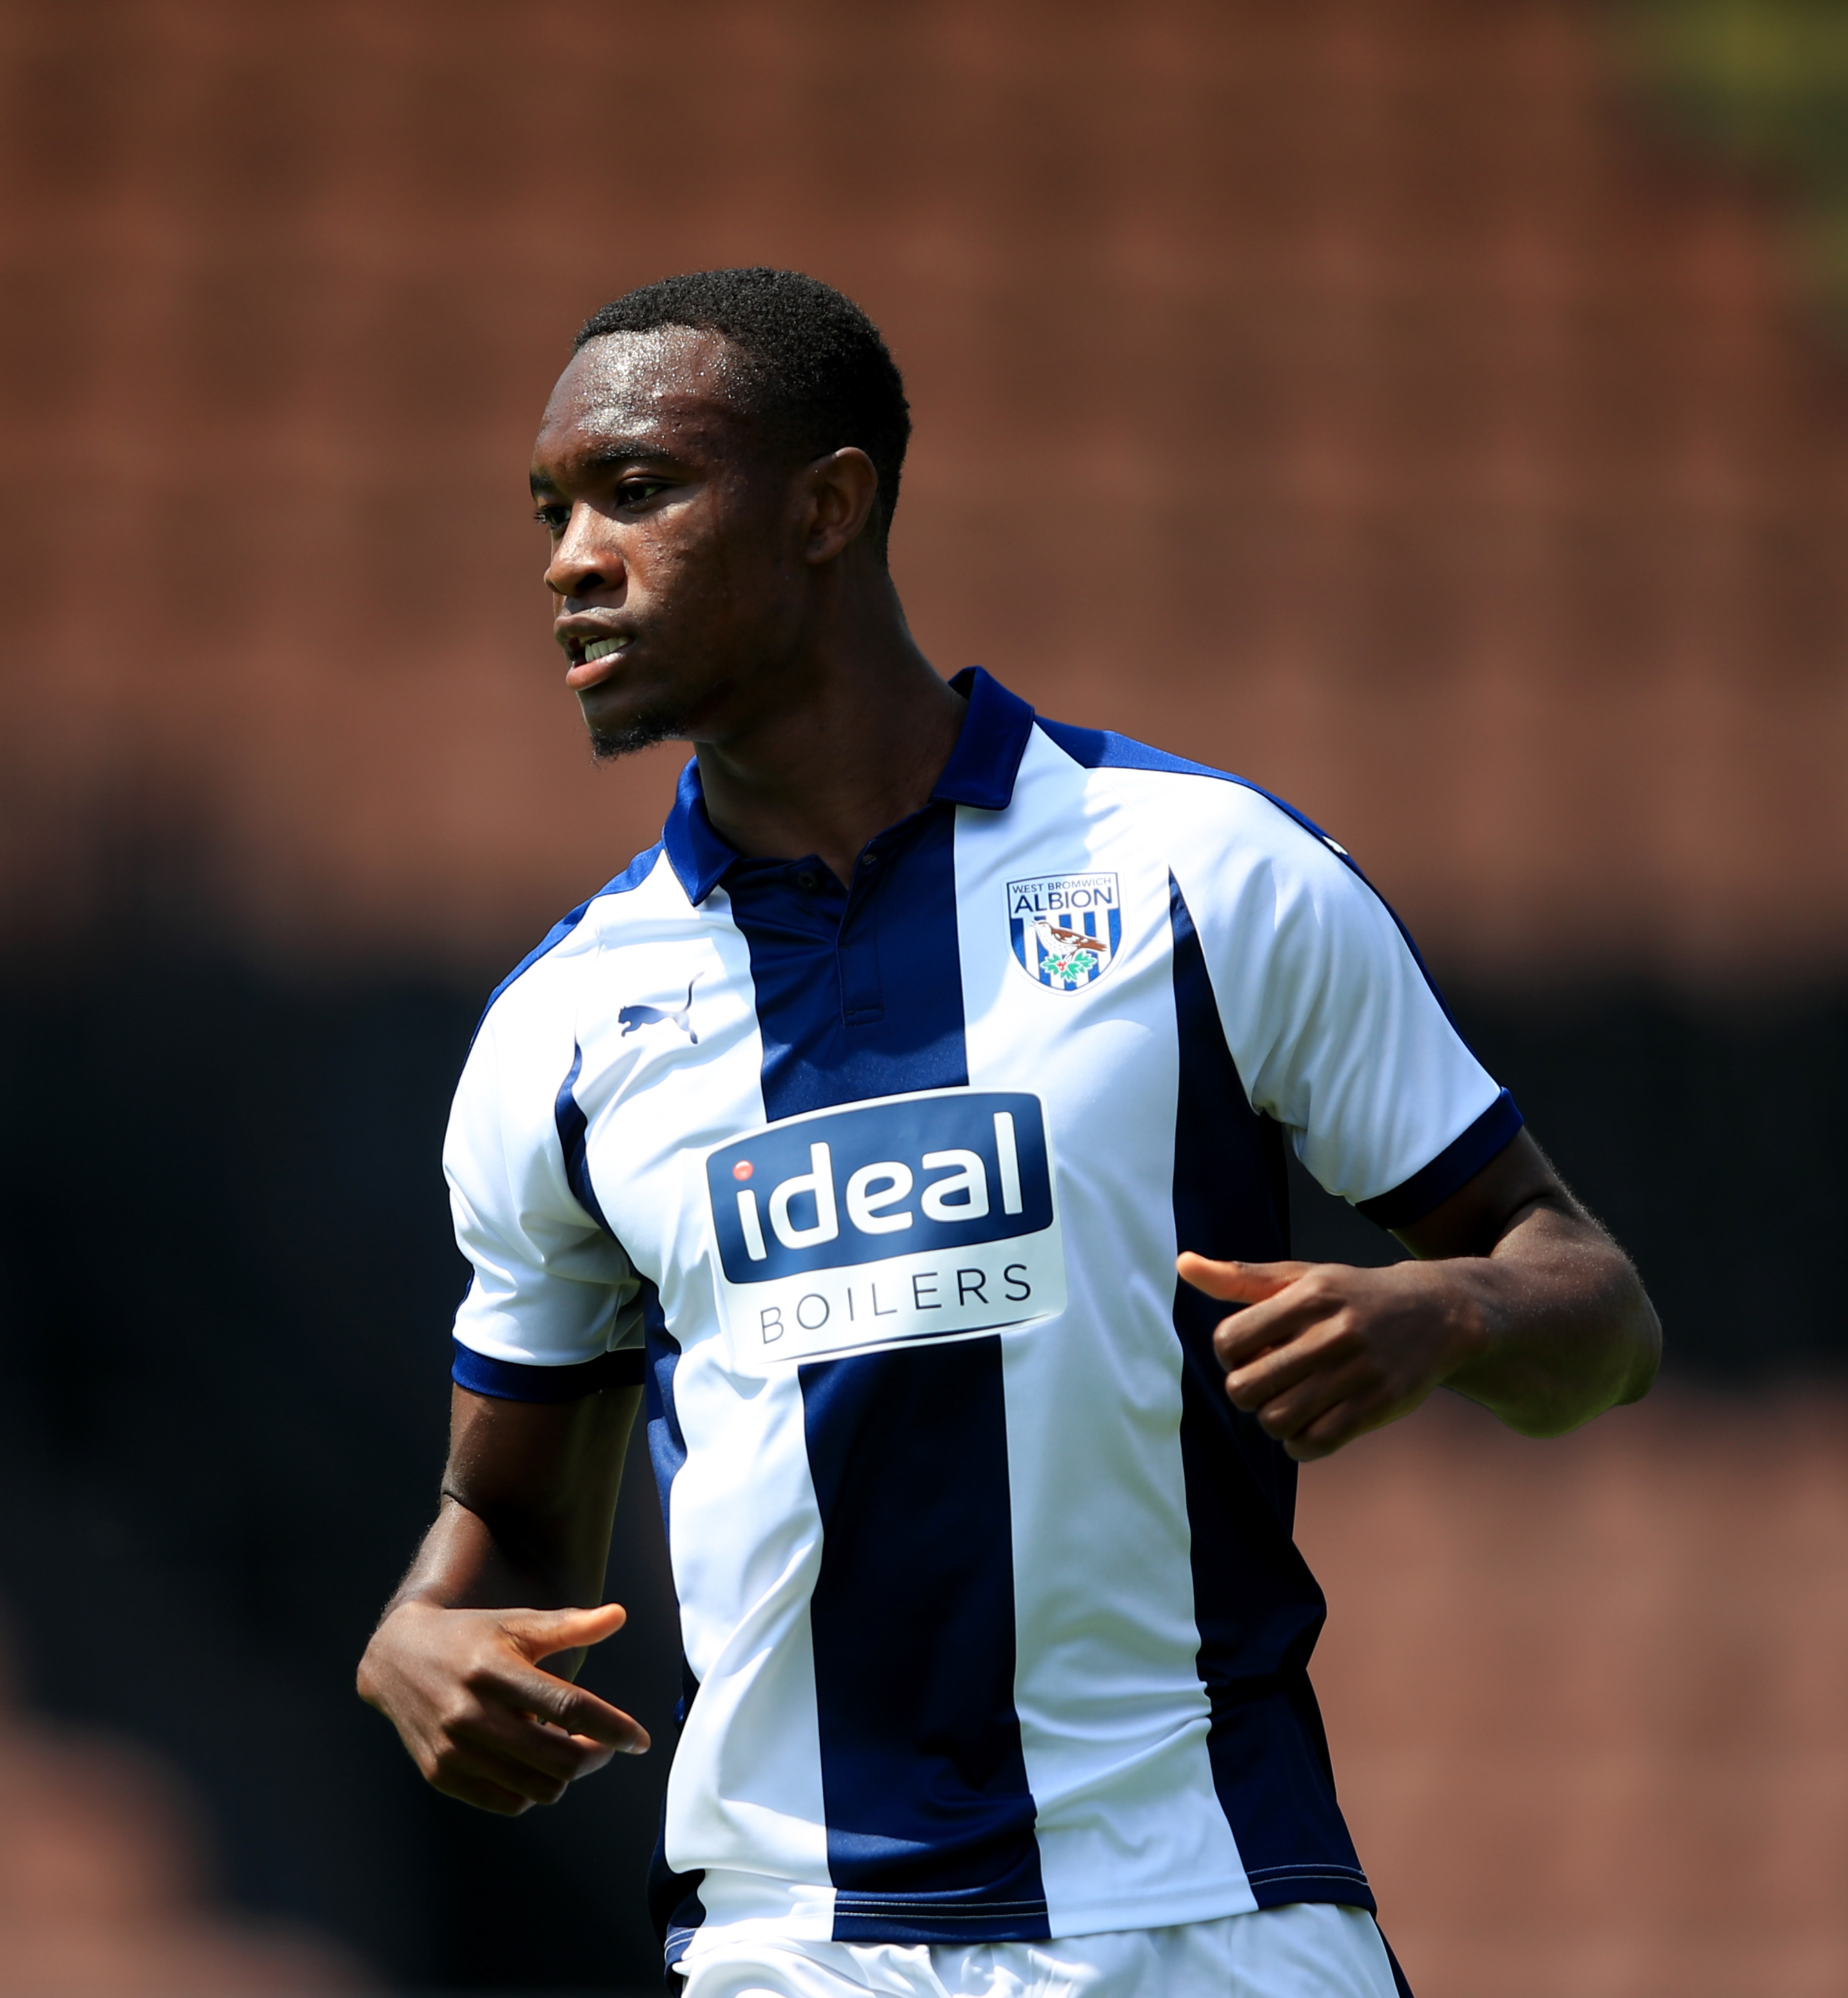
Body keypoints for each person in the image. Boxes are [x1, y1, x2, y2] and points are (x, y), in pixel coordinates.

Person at [353, 268, 1660, 1998]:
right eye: (550, 510)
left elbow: (1601, 1312)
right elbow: (509, 1514)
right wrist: (414, 1635)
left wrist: (1456, 1310)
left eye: (637, 489)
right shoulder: (562, 1031)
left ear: (830, 504)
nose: (570, 559)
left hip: (1215, 1912)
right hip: (799, 1949)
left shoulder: (1205, 873)